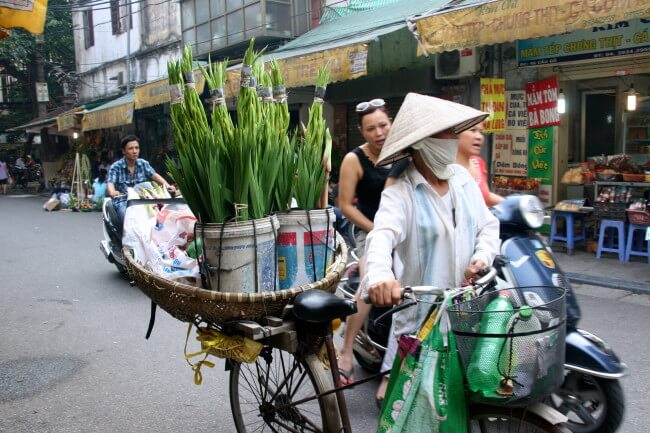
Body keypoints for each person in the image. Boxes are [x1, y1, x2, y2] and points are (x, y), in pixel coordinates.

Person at [361, 93, 500, 392]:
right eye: (445, 133)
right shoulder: (402, 192)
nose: (454, 139)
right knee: (413, 409)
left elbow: (488, 225)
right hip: (419, 323)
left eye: (454, 132)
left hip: (464, 314)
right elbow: (381, 237)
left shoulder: (463, 180)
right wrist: (381, 277)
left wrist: (483, 255)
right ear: (422, 141)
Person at [336, 99, 408, 398]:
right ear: (361, 132)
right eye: (370, 129)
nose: (378, 133)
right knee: (369, 284)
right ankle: (346, 348)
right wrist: (376, 229)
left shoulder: (405, 151)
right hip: (371, 231)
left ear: (390, 123)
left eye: (382, 125)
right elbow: (343, 205)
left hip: (405, 231)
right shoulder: (354, 160)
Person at [107, 135, 176, 221]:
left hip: (143, 201)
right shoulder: (116, 167)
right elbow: (110, 183)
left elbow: (155, 175)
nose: (135, 151)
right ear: (124, 151)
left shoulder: (143, 163)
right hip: (124, 202)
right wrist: (112, 191)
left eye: (137, 148)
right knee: (125, 217)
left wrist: (168, 186)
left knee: (160, 216)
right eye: (131, 148)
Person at [455, 121, 504, 206]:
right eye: (473, 130)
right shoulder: (444, 168)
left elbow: (486, 197)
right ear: (455, 134)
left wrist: (515, 204)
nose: (479, 137)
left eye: (481, 132)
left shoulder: (478, 163)